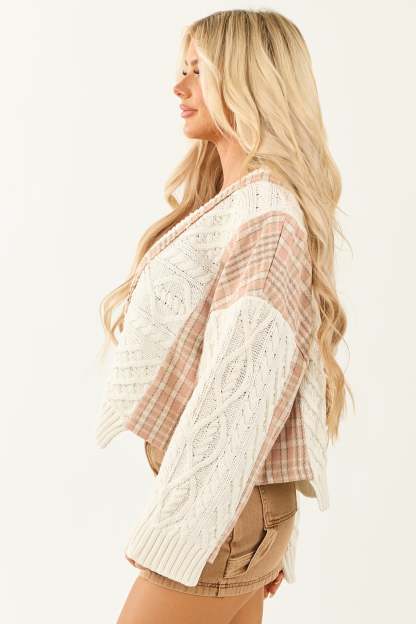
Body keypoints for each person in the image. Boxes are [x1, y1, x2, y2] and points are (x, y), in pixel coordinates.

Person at [96, 9, 351, 624]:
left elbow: (239, 395)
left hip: (218, 509)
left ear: (244, 81)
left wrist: (178, 530)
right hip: (234, 506)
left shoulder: (266, 213)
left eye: (197, 71)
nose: (178, 87)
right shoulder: (239, 203)